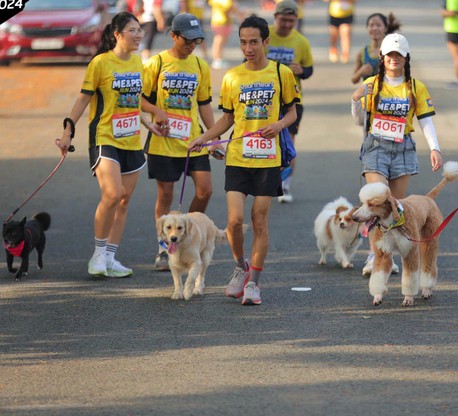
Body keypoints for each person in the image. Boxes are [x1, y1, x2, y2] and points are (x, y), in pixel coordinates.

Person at [189, 15, 300, 305]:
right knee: (234, 221)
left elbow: (292, 112)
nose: (248, 48)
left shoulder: (281, 73)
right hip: (238, 157)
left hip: (267, 160)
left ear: (266, 41)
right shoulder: (232, 77)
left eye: (253, 42)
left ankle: (253, 283)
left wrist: (278, 126)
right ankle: (240, 266)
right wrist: (205, 137)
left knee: (259, 221)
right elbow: (227, 118)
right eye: (243, 43)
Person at [55, 12, 164, 277]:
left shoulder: (139, 62)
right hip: (104, 137)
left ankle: (111, 257)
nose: (138, 35)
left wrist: (147, 122)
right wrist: (68, 130)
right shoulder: (100, 63)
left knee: (124, 200)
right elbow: (83, 99)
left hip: (131, 139)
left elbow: (132, 99)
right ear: (117, 34)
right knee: (113, 194)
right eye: (132, 30)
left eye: (140, 30)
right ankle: (99, 254)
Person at [351, 33, 443, 277]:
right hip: (376, 147)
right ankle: (376, 253)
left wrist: (435, 148)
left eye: (399, 55)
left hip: (403, 148)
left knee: (393, 208)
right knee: (377, 199)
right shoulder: (372, 83)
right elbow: (360, 120)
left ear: (406, 58)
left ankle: (389, 255)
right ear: (381, 57)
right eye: (390, 54)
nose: (394, 59)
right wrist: (356, 97)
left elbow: (426, 120)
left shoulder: (415, 86)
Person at [142, 13, 225, 270]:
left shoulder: (200, 66)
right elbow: (139, 99)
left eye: (197, 40)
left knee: (205, 190)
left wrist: (214, 139)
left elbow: (204, 105)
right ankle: (165, 248)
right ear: (174, 36)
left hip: (193, 140)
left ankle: (184, 234)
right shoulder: (156, 63)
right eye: (187, 39)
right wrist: (157, 111)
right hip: (163, 142)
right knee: (165, 195)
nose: (192, 44)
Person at [266, 0, 314, 203]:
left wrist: (301, 71)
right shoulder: (264, 35)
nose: (287, 24)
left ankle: (284, 185)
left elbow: (309, 70)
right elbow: (247, 60)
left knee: (288, 144)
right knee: (265, 140)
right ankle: (263, 181)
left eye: (291, 21)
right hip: (265, 98)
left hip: (291, 100)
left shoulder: (301, 41)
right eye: (284, 20)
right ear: (276, 17)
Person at [350, 12, 400, 85]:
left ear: (385, 28)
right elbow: (354, 80)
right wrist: (360, 72)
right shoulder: (363, 52)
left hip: (388, 95)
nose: (374, 28)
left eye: (378, 25)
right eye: (371, 25)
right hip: (368, 95)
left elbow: (403, 76)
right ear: (367, 28)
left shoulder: (392, 51)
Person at [209, 0, 246, 69]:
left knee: (220, 41)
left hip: (218, 20)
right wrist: (239, 14)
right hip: (222, 21)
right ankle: (217, 59)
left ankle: (218, 59)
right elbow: (230, 7)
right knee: (219, 41)